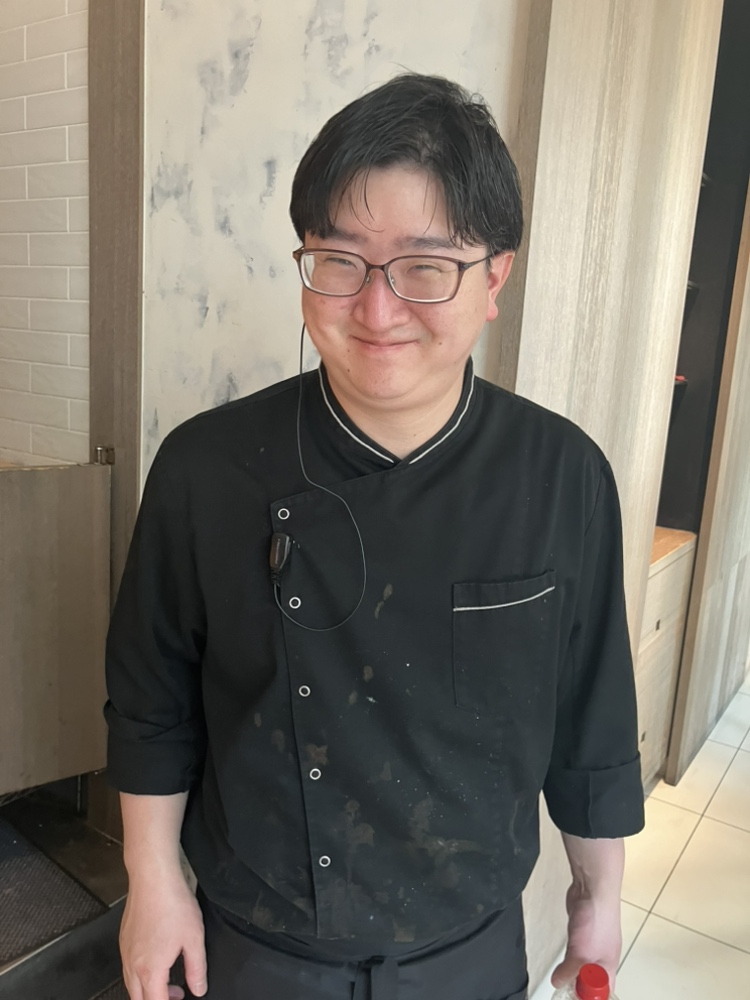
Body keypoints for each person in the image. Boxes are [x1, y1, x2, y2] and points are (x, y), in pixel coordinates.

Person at [105, 73, 644, 1000]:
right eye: (340, 261)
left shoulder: (563, 476)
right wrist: (152, 883)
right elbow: (153, 700)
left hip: (468, 953)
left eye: (425, 268)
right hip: (256, 950)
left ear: (495, 278)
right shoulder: (207, 467)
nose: (377, 309)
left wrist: (599, 894)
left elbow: (590, 714)